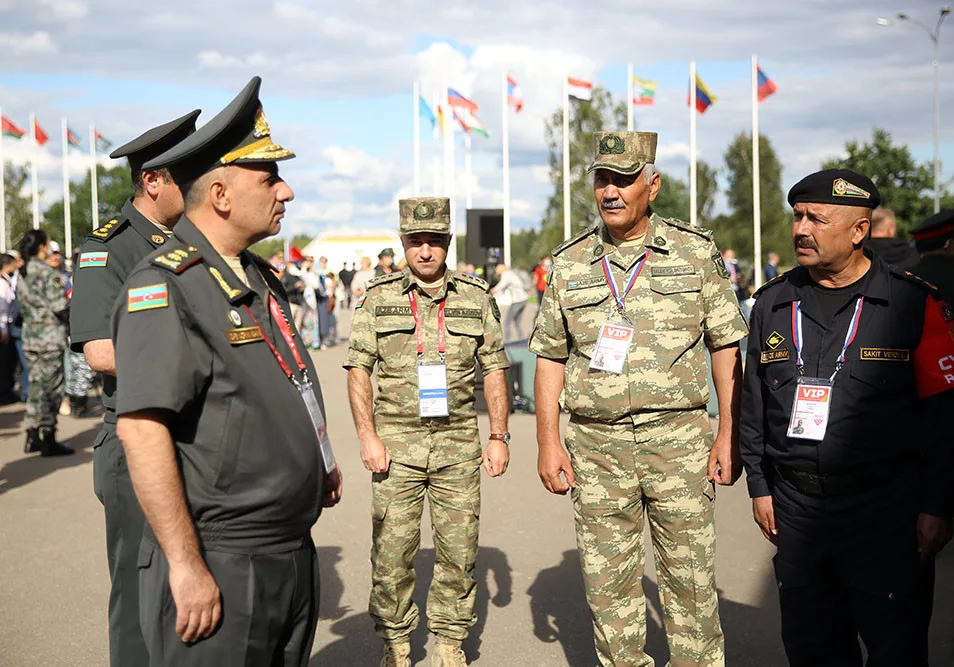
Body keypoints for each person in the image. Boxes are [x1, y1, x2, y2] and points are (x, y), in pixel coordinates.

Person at [113, 76, 342, 667]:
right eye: (269, 178)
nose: (286, 190)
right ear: (220, 194)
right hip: (223, 562)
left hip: (287, 552)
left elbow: (279, 380)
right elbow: (142, 429)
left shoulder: (257, 278)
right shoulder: (165, 287)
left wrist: (317, 457)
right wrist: (187, 566)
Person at [530, 131, 748, 666]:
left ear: (652, 185)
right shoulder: (571, 262)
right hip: (596, 447)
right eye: (602, 179)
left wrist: (727, 432)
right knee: (608, 590)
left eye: (624, 180)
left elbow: (725, 346)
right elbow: (549, 356)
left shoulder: (694, 252)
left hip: (678, 443)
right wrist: (547, 443)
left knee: (691, 583)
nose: (610, 191)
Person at [740, 169, 954, 667]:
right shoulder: (772, 303)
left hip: (886, 513)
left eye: (817, 218)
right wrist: (760, 486)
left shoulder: (912, 302)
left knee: (894, 650)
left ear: (859, 231)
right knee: (813, 649)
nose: (801, 229)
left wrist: (939, 506)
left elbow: (944, 418)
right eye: (797, 216)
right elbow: (754, 405)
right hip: (797, 511)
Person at [345, 197, 511, 667]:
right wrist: (366, 435)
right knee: (392, 550)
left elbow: (495, 368)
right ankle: (396, 643)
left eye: (434, 241)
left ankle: (449, 641)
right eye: (415, 241)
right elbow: (358, 369)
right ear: (402, 243)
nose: (425, 251)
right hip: (396, 443)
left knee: (459, 549)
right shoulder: (378, 299)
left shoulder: (476, 297)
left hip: (459, 442)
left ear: (448, 243)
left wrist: (499, 435)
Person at [69, 108, 200, 667]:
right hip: (135, 439)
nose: (199, 185)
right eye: (187, 176)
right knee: (139, 589)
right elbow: (101, 352)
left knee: (191, 587)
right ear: (153, 181)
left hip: (191, 434)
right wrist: (201, 362)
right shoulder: (109, 247)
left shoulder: (189, 241)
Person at [17, 229, 73, 456]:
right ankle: (48, 437)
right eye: (48, 243)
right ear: (42, 246)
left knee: (36, 388)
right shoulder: (47, 273)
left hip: (30, 338)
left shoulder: (23, 272)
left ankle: (32, 435)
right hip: (49, 338)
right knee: (52, 390)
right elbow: (59, 306)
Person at [491, 263, 529, 341]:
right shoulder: (511, 274)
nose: (496, 271)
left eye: (496, 269)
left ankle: (507, 341)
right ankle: (521, 338)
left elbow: (502, 284)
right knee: (517, 321)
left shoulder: (506, 274)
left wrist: (494, 289)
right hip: (524, 299)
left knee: (507, 322)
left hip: (518, 300)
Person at [0, 253, 19, 404]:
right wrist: (4, 331)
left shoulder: (5, 282)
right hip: (4, 327)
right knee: (5, 363)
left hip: (5, 326)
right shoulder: (2, 283)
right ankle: (4, 393)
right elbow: (3, 309)